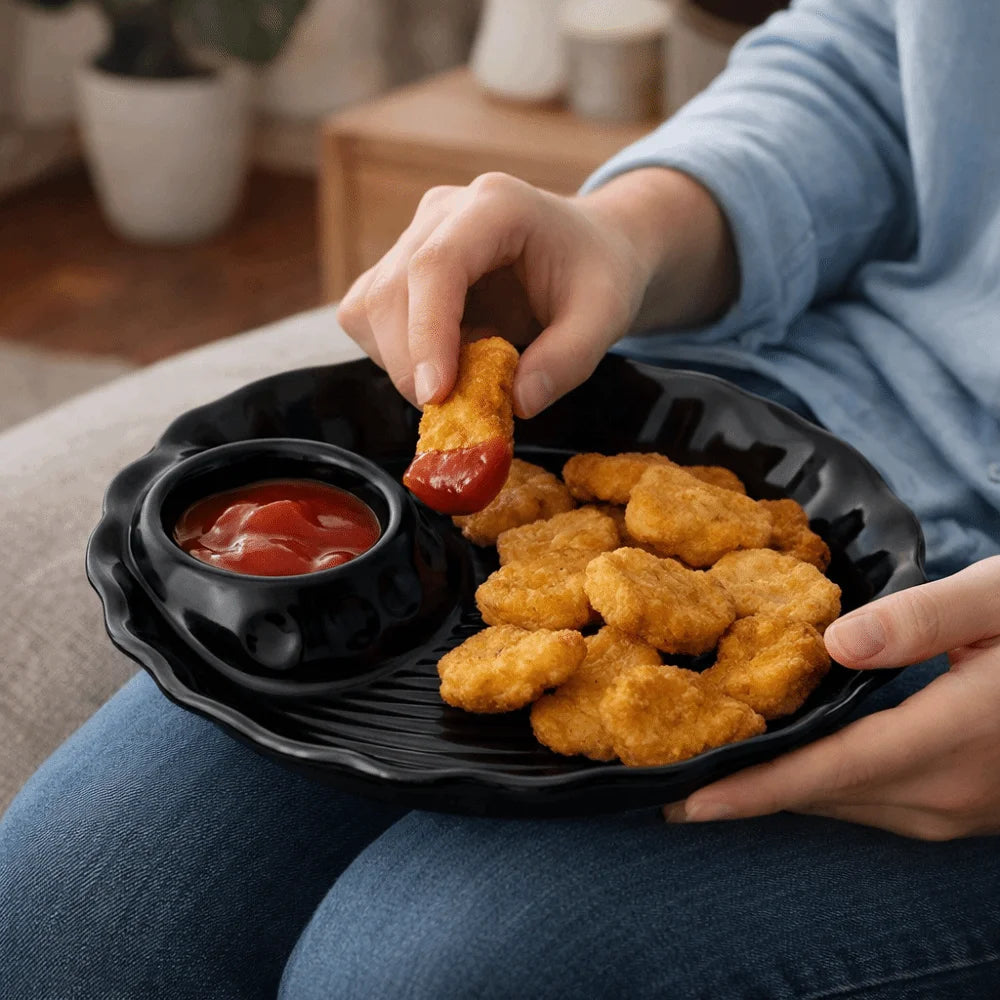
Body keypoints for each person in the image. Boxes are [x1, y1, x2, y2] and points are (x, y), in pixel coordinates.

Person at [3, 1, 1000, 997]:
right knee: (67, 903)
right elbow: (886, 58)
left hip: (956, 627)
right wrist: (628, 233)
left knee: (400, 974)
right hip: (777, 421)